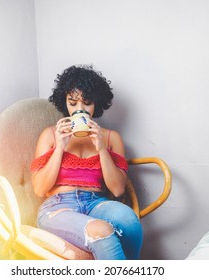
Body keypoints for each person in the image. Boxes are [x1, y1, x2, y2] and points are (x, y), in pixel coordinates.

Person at [30, 65, 142, 260]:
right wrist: (59, 148)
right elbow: (40, 189)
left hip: (97, 203)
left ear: (95, 104)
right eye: (73, 103)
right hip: (58, 206)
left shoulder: (110, 138)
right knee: (100, 230)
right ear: (65, 103)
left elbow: (117, 190)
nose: (79, 110)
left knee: (129, 219)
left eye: (87, 103)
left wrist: (101, 149)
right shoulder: (50, 135)